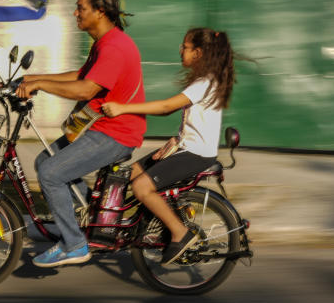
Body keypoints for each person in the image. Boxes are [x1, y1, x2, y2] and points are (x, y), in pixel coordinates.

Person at [16, 0, 146, 268]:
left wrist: (40, 84)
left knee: (51, 173)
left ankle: (74, 244)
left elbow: (86, 90)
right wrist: (33, 78)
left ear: (100, 12)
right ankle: (93, 217)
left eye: (80, 8)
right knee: (45, 160)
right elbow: (80, 75)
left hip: (115, 132)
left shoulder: (114, 46)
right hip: (99, 126)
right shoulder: (104, 42)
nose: (75, 13)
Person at [101, 27, 236, 265]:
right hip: (187, 147)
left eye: (185, 47)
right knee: (130, 174)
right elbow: (198, 122)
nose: (180, 50)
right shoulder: (204, 81)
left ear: (198, 52)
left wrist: (123, 108)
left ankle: (179, 233)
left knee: (142, 187)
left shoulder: (204, 82)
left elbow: (165, 107)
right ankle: (118, 228)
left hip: (196, 154)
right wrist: (177, 139)